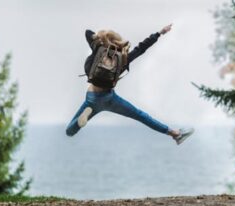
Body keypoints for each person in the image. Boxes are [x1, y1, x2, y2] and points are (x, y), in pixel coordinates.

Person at [66, 24, 194, 145]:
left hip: (92, 98)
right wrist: (159, 33)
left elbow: (87, 32)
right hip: (110, 99)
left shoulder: (98, 49)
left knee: (69, 132)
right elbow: (141, 48)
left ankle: (80, 122)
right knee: (140, 116)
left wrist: (101, 38)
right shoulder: (123, 58)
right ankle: (175, 134)